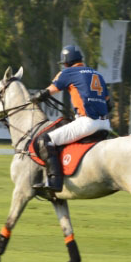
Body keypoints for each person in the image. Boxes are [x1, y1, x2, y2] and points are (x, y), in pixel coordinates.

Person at [30, 45, 112, 191]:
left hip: (87, 123)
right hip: (105, 124)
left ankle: (54, 181)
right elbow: (109, 104)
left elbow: (49, 91)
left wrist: (35, 98)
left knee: (45, 140)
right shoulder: (97, 74)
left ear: (66, 62)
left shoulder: (68, 72)